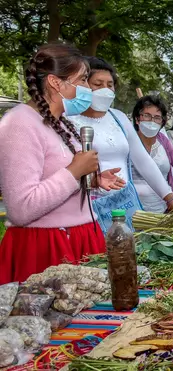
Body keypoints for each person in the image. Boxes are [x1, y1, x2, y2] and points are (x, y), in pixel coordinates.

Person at [0, 44, 124, 284]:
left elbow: (57, 177)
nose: (88, 88)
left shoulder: (62, 122)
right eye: (83, 80)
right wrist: (74, 172)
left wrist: (92, 179)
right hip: (46, 249)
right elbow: (21, 209)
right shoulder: (19, 123)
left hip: (81, 238)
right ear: (56, 82)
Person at [68, 57, 173, 232]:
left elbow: (142, 160)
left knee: (128, 253)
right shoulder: (69, 120)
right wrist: (93, 179)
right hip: (88, 207)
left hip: (125, 203)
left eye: (110, 85)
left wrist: (169, 197)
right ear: (84, 86)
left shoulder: (117, 117)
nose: (105, 90)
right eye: (98, 84)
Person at [131, 96, 173, 213]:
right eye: (147, 116)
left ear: (162, 122)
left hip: (161, 209)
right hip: (131, 210)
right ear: (138, 119)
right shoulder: (127, 141)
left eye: (157, 117)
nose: (152, 121)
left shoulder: (163, 141)